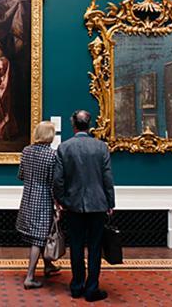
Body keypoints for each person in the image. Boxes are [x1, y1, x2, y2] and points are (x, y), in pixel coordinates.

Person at [53, 110, 115, 302]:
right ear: (89, 125)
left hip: (73, 204)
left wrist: (61, 200)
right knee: (95, 248)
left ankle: (77, 286)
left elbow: (58, 180)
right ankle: (92, 288)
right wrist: (110, 202)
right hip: (98, 204)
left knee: (77, 247)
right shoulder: (101, 147)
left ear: (73, 125)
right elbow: (107, 177)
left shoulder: (65, 147)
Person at [15, 121, 61, 290]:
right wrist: (58, 205)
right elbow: (54, 183)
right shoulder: (52, 155)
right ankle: (30, 277)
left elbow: (21, 175)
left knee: (40, 234)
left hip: (28, 197)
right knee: (38, 238)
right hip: (44, 199)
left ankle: (48, 266)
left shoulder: (26, 151)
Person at [0, 40, 18, 140]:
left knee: (3, 106)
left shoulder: (5, 60)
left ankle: (2, 129)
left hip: (3, 86)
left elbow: (5, 74)